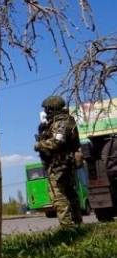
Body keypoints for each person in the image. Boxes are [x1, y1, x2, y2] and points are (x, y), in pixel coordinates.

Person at [34, 95, 83, 228]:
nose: (45, 112)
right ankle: (76, 223)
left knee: (59, 196)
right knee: (70, 193)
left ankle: (68, 228)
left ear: (52, 109)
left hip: (59, 165)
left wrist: (39, 145)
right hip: (63, 164)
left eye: (46, 109)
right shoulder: (64, 121)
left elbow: (57, 142)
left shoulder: (61, 122)